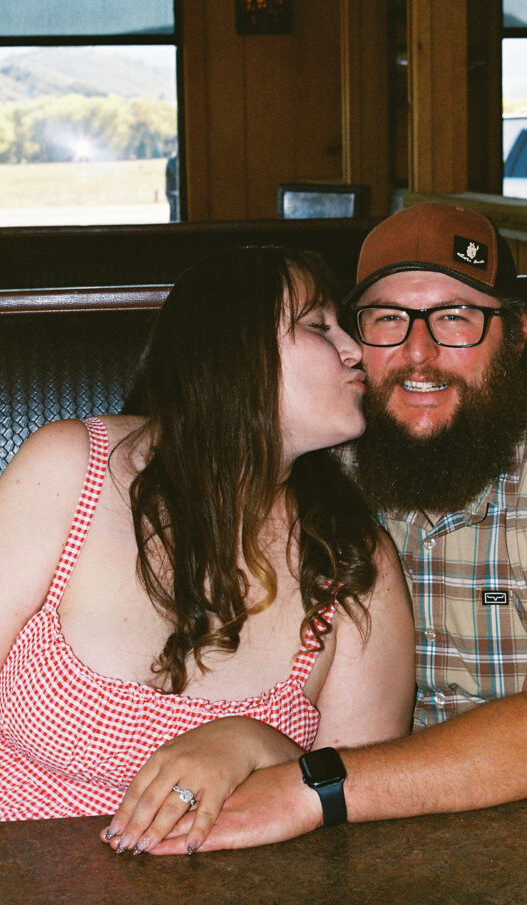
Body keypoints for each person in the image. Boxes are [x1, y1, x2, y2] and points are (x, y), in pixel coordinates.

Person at [146, 202, 527, 854]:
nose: (418, 356)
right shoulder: (313, 462)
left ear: (517, 332)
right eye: (388, 320)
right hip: (341, 840)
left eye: (455, 318)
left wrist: (313, 788)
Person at [0, 246, 415, 850]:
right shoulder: (73, 468)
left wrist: (253, 744)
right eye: (318, 326)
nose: (357, 351)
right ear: (232, 347)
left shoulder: (354, 561)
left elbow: (361, 809)